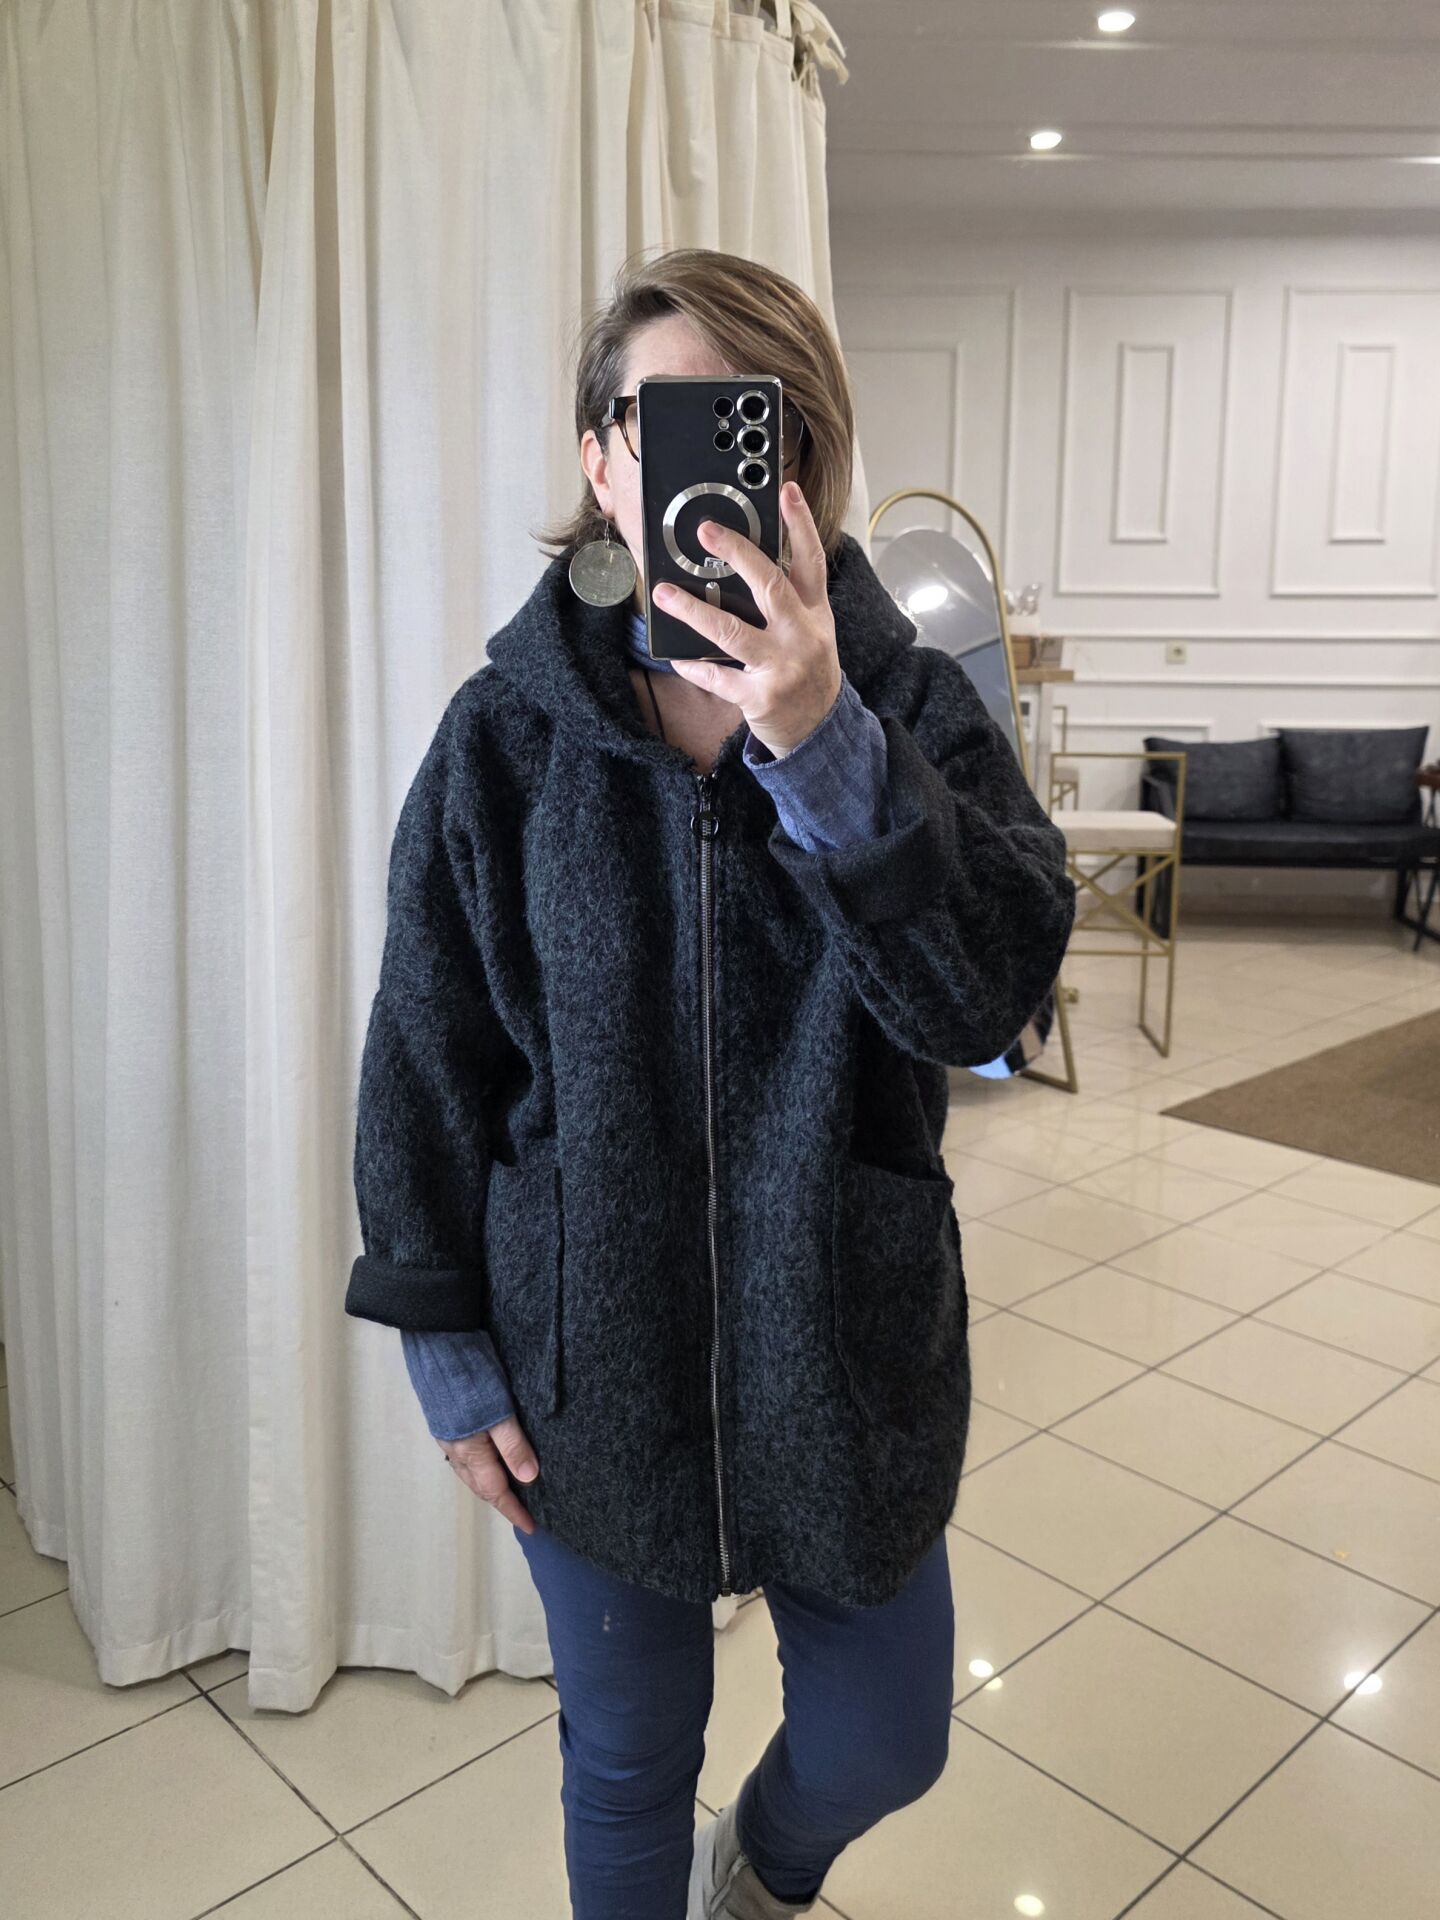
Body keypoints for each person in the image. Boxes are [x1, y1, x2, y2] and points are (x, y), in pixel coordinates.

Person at [345, 247, 1076, 1919]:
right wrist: (445, 1340)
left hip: (842, 1328)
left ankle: (759, 1875)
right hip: (592, 1349)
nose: (706, 471)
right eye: (659, 423)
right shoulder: (505, 738)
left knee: (887, 1738)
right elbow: (426, 1045)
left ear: (806, 464)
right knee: (623, 1761)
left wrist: (827, 750)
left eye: (755, 428)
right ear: (601, 462)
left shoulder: (908, 702)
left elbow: (992, 998)